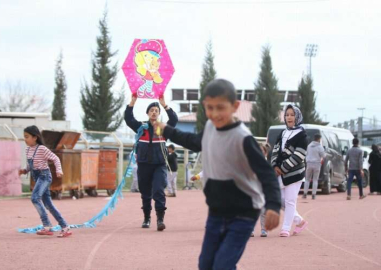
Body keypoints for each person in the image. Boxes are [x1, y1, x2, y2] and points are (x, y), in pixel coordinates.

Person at [155, 79, 281, 270]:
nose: (214, 114)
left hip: (244, 212)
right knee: (205, 265)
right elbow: (193, 141)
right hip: (217, 211)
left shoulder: (243, 138)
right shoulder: (210, 128)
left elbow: (267, 174)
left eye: (220, 107)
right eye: (209, 108)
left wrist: (273, 206)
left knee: (222, 266)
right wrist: (168, 130)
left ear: (235, 106)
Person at [124, 95, 178, 231]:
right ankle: (146, 218)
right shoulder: (141, 127)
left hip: (159, 164)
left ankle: (160, 219)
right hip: (143, 164)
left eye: (156, 110)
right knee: (145, 193)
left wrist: (165, 105)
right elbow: (128, 119)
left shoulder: (162, 128)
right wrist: (132, 102)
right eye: (151, 110)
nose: (154, 112)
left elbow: (174, 119)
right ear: (147, 113)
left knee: (159, 191)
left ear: (159, 114)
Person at [18, 125, 72, 238]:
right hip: (37, 177)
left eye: (27, 136)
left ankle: (46, 225)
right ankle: (65, 227)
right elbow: (30, 164)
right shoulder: (27, 150)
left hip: (44, 176)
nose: (25, 139)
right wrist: (24, 170)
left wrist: (59, 170)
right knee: (48, 205)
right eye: (24, 136)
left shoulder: (42, 149)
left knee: (35, 198)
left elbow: (56, 158)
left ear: (35, 137)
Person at [271, 104, 308, 237]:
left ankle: (285, 228)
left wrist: (283, 168)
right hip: (279, 173)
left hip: (295, 173)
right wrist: (275, 165)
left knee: (290, 201)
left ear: (297, 116)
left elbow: (299, 155)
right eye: (287, 115)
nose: (289, 117)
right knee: (278, 199)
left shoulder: (302, 134)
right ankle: (299, 221)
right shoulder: (282, 133)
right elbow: (275, 150)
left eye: (292, 115)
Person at [303, 134, 326, 200]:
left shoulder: (309, 146)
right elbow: (323, 156)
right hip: (317, 164)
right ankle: (313, 194)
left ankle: (305, 193)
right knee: (315, 179)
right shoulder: (320, 147)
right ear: (319, 139)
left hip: (309, 163)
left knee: (307, 179)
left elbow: (306, 154)